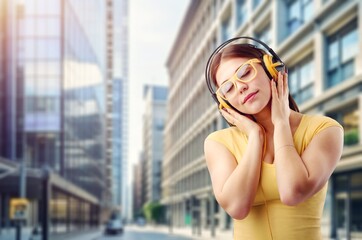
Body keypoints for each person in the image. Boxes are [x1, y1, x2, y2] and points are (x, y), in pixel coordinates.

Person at [204, 37, 344, 240]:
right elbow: (237, 207)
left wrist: (281, 124)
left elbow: (292, 193)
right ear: (225, 103)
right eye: (228, 88)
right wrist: (255, 136)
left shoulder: (324, 130)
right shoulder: (218, 143)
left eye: (245, 72)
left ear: (271, 68)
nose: (240, 87)